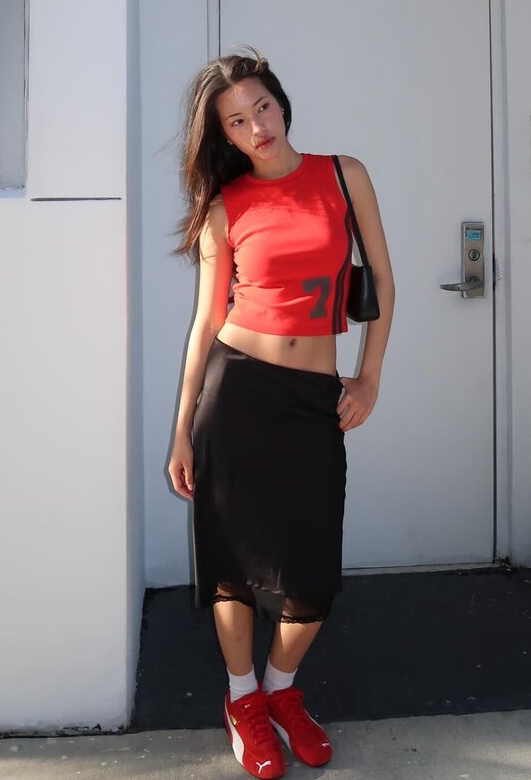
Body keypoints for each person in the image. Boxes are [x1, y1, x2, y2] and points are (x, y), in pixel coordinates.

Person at [168, 47, 395, 778]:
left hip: (310, 400)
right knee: (231, 567)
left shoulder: (343, 175)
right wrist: (181, 431)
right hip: (235, 394)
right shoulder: (223, 207)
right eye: (236, 121)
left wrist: (368, 378)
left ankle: (279, 690)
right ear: (224, 136)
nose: (256, 127)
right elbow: (206, 323)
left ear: (281, 102)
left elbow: (382, 280)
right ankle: (244, 702)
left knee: (311, 574)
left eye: (261, 107)